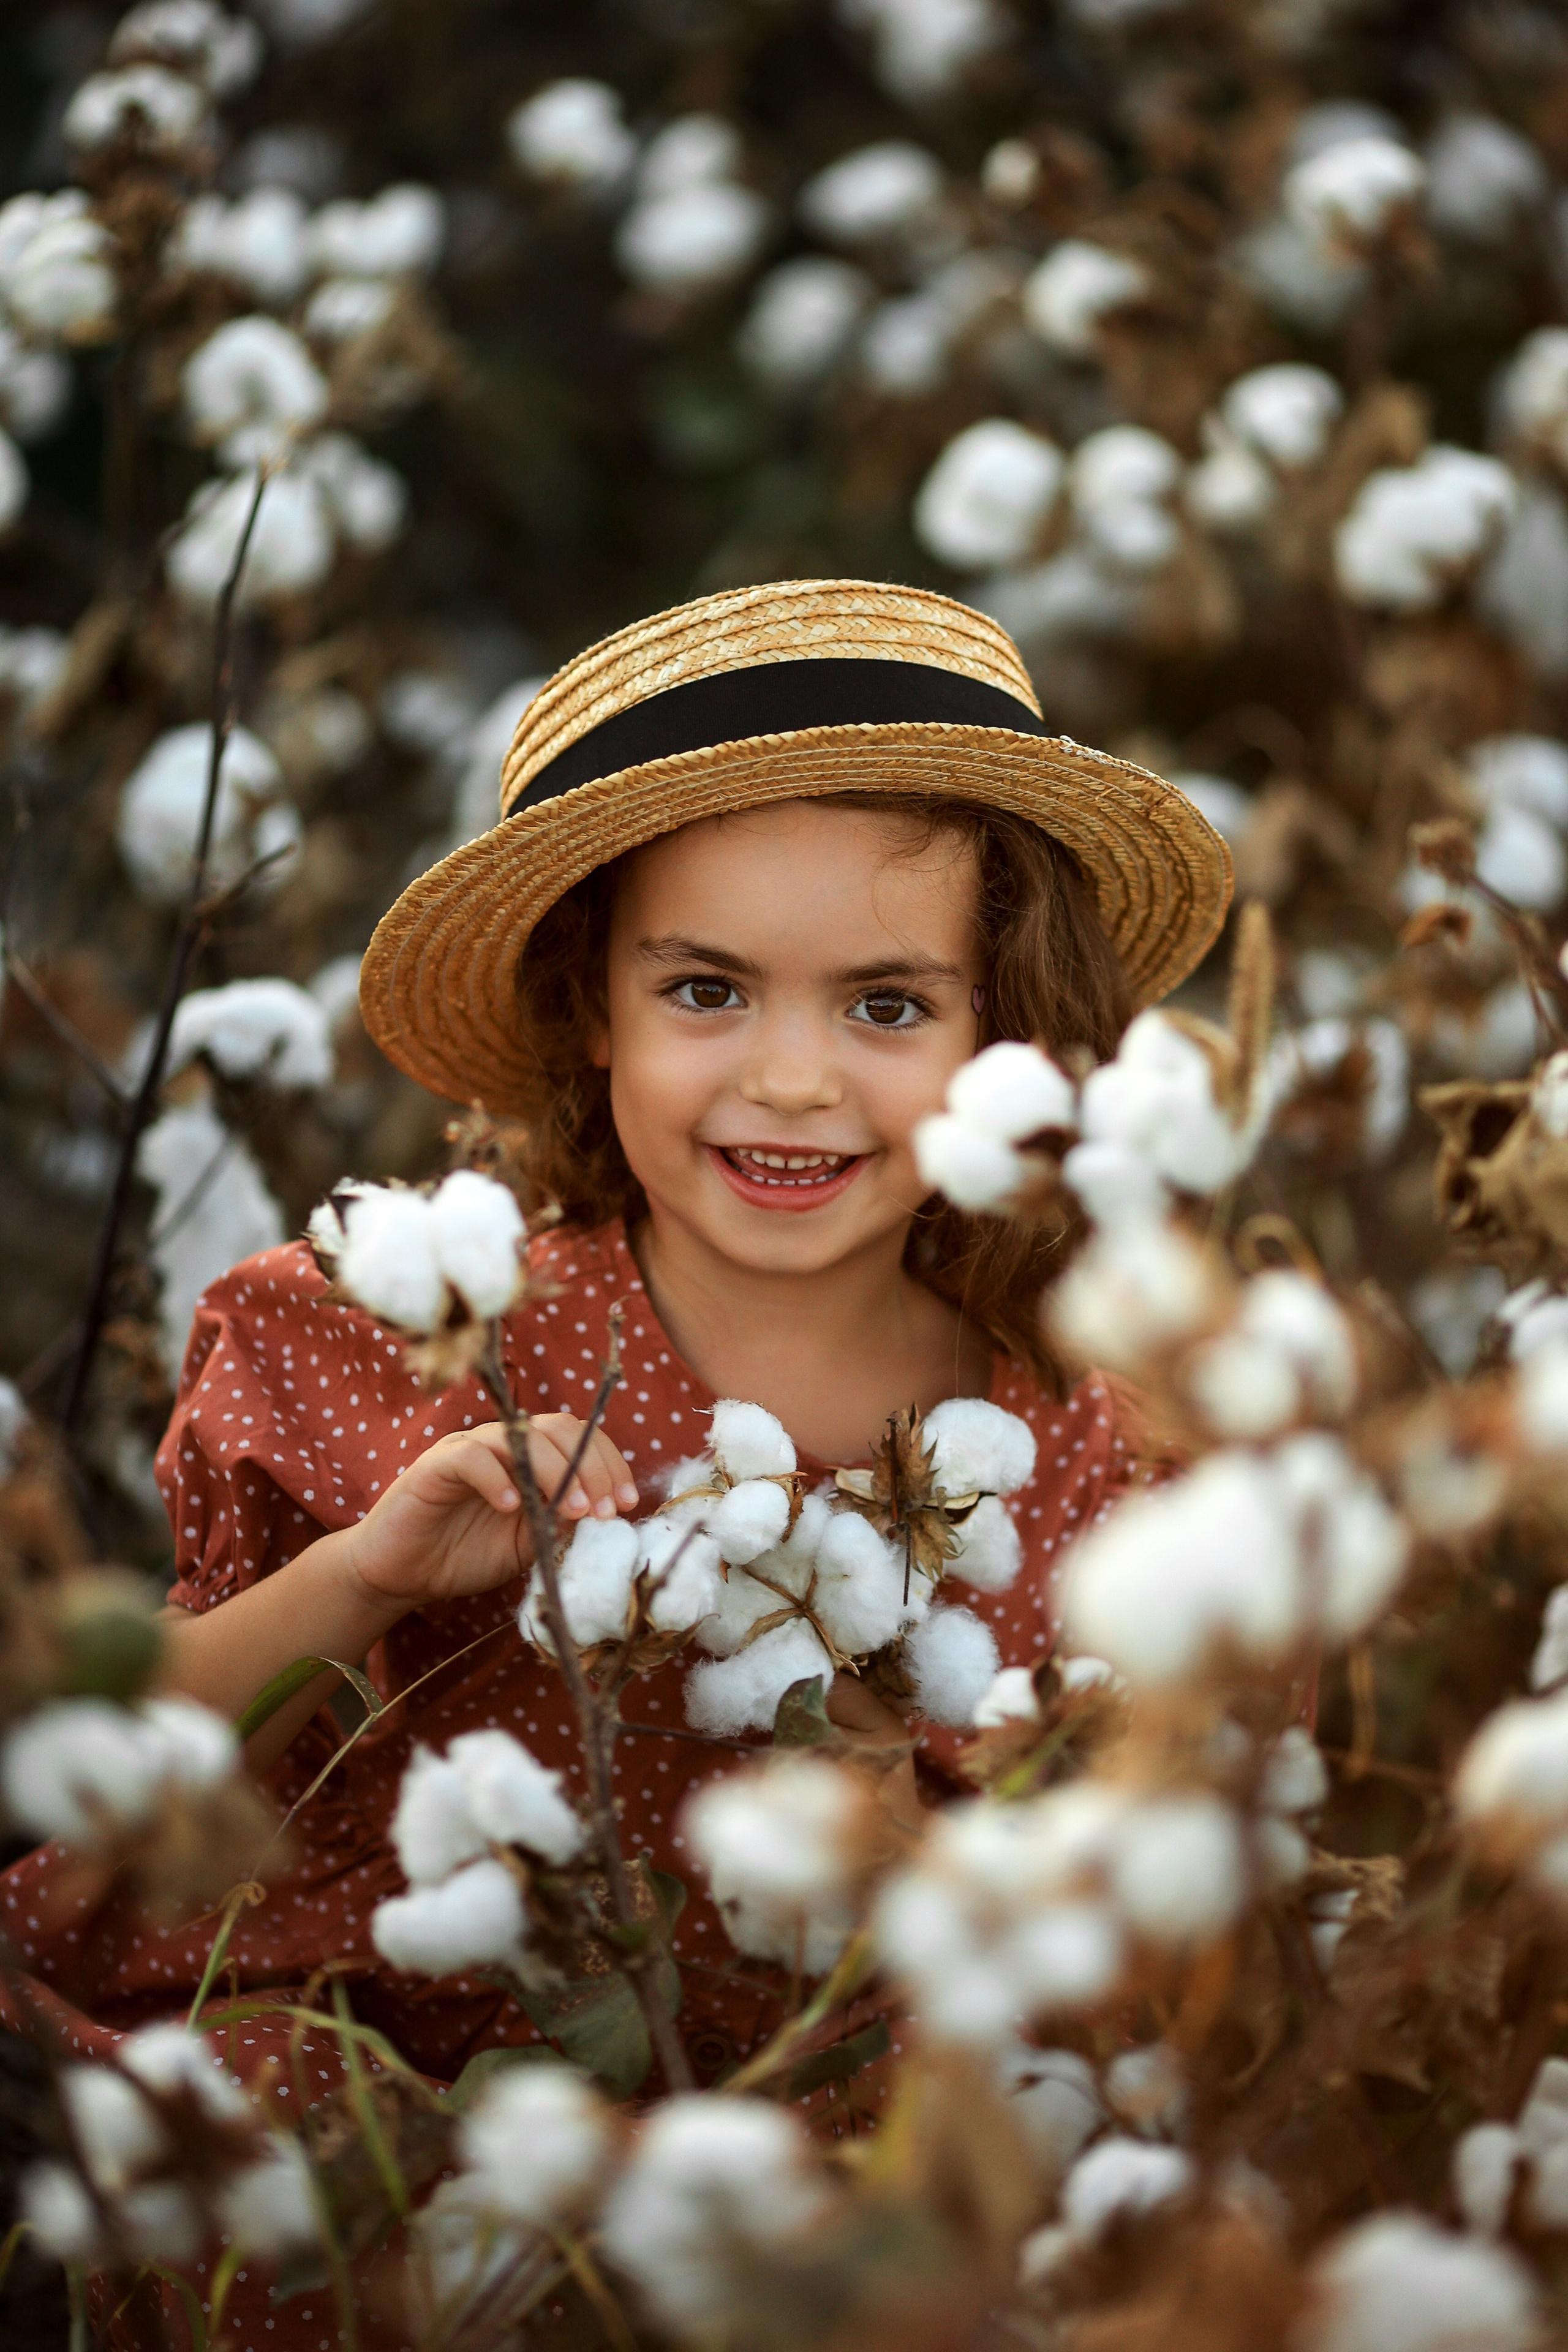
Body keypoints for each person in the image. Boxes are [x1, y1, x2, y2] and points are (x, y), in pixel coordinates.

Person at [0, 579, 1229, 2346]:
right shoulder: (393, 1343)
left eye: (888, 1005)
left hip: (878, 2206)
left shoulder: (1103, 1453)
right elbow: (119, 1792)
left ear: (1001, 1037)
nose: (792, 1079)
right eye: (710, 990)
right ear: (593, 1004)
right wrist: (354, 1583)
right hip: (411, 2151)